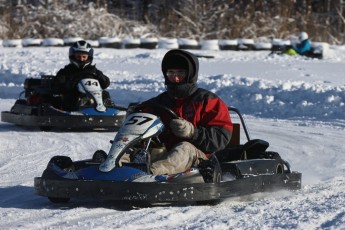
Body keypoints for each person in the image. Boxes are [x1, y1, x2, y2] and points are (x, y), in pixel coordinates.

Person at [137, 49, 233, 176]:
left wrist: (192, 132)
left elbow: (221, 138)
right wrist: (134, 115)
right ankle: (111, 166)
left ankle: (147, 174)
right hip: (165, 152)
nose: (175, 78)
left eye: (180, 73)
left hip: (200, 158)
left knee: (184, 147)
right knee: (137, 150)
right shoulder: (159, 102)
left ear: (190, 74)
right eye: (171, 72)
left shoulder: (208, 101)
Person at [53, 40, 110, 111]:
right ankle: (71, 113)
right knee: (70, 96)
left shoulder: (93, 70)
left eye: (84, 57)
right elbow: (57, 85)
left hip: (93, 95)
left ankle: (107, 110)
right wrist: (70, 82)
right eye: (78, 57)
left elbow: (105, 84)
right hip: (75, 96)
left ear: (88, 57)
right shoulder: (66, 71)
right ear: (73, 56)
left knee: (105, 94)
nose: (81, 59)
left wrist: (101, 77)